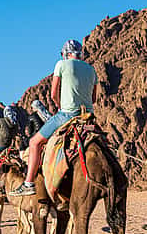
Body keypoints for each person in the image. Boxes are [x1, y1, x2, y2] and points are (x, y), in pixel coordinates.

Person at [10, 40, 98, 196]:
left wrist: (59, 105)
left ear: (65, 53)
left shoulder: (61, 65)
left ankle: (29, 182)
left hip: (67, 114)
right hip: (89, 117)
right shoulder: (92, 70)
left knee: (34, 142)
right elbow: (94, 98)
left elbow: (53, 94)